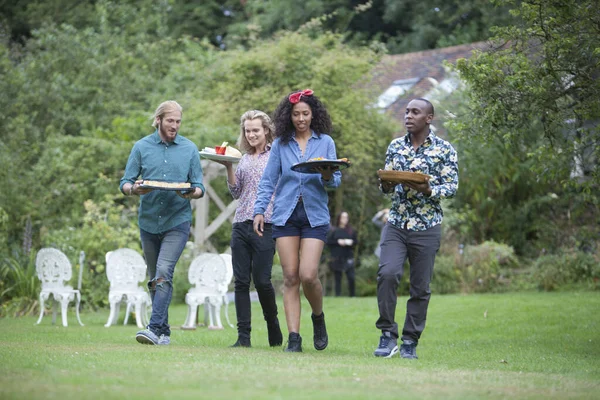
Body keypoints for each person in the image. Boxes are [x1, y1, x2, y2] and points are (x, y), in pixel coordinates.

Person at [253, 89, 341, 352]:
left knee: (308, 275)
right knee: (290, 277)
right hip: (285, 214)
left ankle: (318, 317)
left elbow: (335, 181)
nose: (301, 118)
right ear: (288, 116)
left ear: (313, 115)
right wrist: (259, 210)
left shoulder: (325, 142)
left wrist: (326, 175)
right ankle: (294, 338)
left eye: (305, 113)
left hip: (314, 215)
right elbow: (268, 180)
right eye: (296, 114)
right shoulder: (281, 144)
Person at [373, 98, 458, 359]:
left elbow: (451, 186)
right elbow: (386, 185)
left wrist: (429, 188)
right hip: (397, 224)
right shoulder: (395, 146)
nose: (408, 116)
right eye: (407, 112)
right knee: (387, 274)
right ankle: (388, 335)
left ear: (429, 118)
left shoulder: (444, 149)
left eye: (415, 112)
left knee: (420, 287)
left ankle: (410, 340)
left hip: (427, 226)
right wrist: (386, 183)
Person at [120, 100, 205, 346]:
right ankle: (165, 332)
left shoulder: (189, 149)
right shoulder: (141, 147)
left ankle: (153, 328)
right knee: (154, 278)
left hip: (177, 221)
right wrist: (134, 190)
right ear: (158, 120)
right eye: (170, 121)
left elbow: (199, 186)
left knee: (163, 272)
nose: (175, 126)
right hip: (148, 222)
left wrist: (191, 193)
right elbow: (126, 182)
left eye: (178, 122)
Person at [215, 110, 283, 348]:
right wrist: (228, 167)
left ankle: (273, 325)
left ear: (266, 130)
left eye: (256, 130)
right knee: (241, 282)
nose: (251, 134)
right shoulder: (242, 158)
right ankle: (243, 337)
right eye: (247, 130)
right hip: (240, 224)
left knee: (263, 281)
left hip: (267, 224)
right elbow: (236, 193)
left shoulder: (276, 155)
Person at [326, 211, 358, 297]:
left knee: (351, 277)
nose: (345, 219)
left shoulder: (351, 231)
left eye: (346, 217)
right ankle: (338, 295)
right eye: (343, 217)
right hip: (336, 257)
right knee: (337, 278)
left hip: (348, 256)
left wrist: (350, 242)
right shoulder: (333, 230)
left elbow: (356, 242)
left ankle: (352, 295)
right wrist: (338, 242)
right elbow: (328, 242)